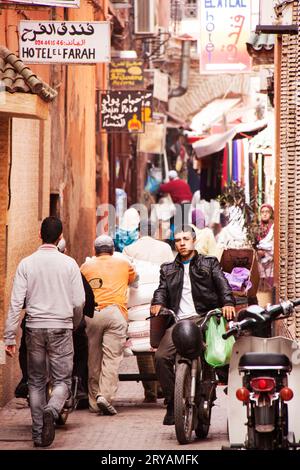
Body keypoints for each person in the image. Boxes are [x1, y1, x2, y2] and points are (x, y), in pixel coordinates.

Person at [4, 217, 85, 447]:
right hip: (61, 327)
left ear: (40, 235)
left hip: (34, 328)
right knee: (63, 382)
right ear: (60, 237)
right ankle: (52, 409)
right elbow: (79, 301)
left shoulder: (26, 264)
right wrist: (74, 323)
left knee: (36, 381)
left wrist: (9, 336)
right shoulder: (69, 264)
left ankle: (39, 435)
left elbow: (15, 302)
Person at [150, 225, 235, 425]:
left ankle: (211, 390)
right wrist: (158, 302)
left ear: (193, 240)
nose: (181, 243)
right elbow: (162, 289)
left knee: (216, 355)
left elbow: (222, 284)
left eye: (185, 239)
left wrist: (228, 303)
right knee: (161, 357)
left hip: (205, 317)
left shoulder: (209, 263)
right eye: (178, 240)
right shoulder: (167, 268)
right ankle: (172, 402)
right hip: (179, 321)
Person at [14, 239, 95, 404]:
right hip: (63, 324)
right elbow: (84, 299)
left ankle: (26, 380)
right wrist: (77, 320)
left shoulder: (30, 264)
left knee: (25, 349)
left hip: (36, 324)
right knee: (81, 350)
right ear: (64, 251)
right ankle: (78, 383)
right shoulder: (70, 267)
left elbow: (20, 299)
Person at [80, 235, 137, 415]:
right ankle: (105, 396)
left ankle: (94, 402)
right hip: (115, 313)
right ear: (112, 250)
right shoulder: (123, 264)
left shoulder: (85, 267)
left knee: (93, 359)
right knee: (111, 359)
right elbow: (134, 280)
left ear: (95, 250)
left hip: (92, 314)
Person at [123, 220, 174, 403]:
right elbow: (172, 273)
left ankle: (150, 392)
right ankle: (163, 386)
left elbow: (127, 276)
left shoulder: (129, 249)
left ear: (138, 232)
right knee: (161, 343)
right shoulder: (165, 248)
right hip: (161, 301)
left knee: (141, 343)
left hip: (139, 303)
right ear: (156, 231)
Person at [256, 204, 274, 290]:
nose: (265, 214)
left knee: (270, 285)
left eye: (267, 212)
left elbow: (275, 245)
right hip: (259, 262)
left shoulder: (274, 228)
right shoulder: (256, 228)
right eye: (262, 212)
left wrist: (265, 253)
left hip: (271, 261)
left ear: (271, 214)